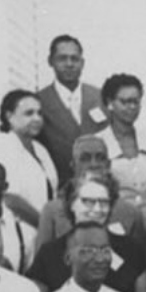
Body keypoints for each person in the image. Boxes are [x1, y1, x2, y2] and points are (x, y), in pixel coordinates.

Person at [26, 172, 146, 292]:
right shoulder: (50, 253)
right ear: (72, 204)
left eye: (104, 202)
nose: (97, 209)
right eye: (89, 202)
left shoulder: (130, 250)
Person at [35, 134, 146, 248]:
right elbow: (42, 261)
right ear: (73, 166)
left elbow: (138, 261)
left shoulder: (130, 213)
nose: (94, 164)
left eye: (100, 158)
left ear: (108, 165)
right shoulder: (52, 211)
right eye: (85, 159)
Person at [36, 34, 107, 185]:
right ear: (51, 61)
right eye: (62, 58)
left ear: (82, 63)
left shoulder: (100, 97)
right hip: (61, 190)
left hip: (99, 188)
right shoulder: (39, 102)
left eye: (74, 59)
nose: (69, 64)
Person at [95, 73, 146, 215]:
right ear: (110, 103)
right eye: (125, 102)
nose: (131, 107)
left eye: (136, 101)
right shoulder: (98, 143)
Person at [0, 89, 58, 227]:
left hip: (44, 232)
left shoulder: (40, 149)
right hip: (19, 230)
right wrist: (45, 227)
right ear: (9, 116)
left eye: (39, 113)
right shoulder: (2, 148)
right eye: (29, 113)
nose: (37, 119)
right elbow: (10, 199)